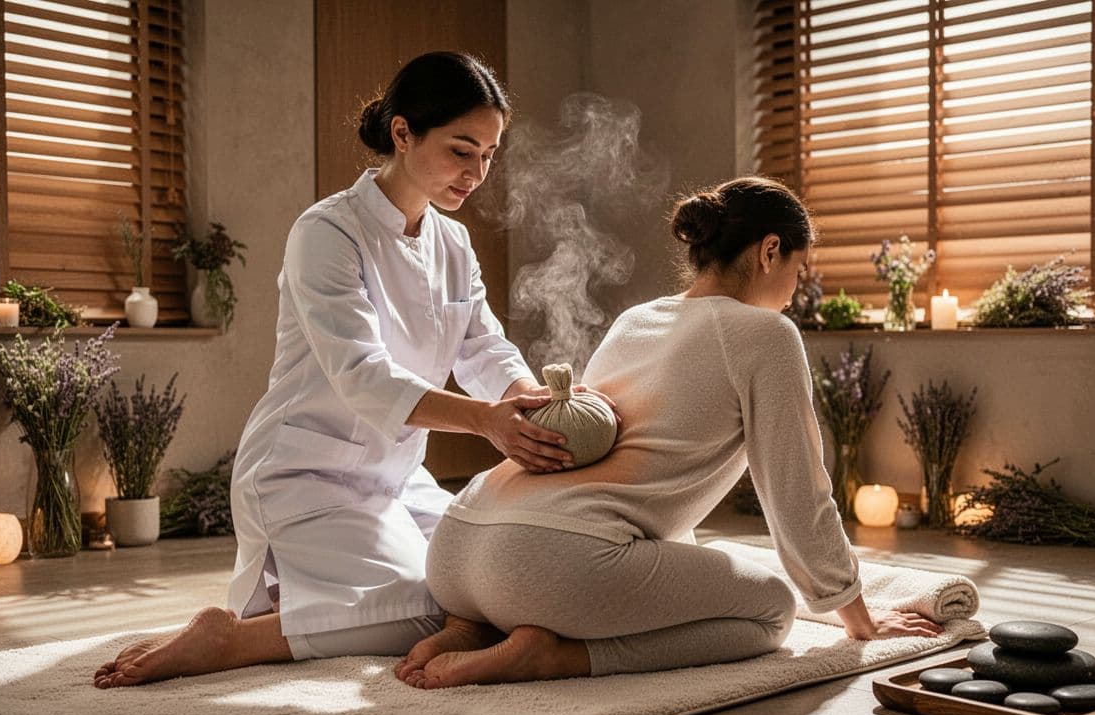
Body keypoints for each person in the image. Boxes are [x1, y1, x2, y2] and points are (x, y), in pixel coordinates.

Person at [93, 51, 613, 688]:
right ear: (402, 133)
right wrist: (485, 423)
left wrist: (530, 399)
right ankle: (231, 639)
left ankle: (309, 612)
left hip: (397, 477)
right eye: (461, 150)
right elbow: (363, 375)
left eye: (489, 154)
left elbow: (483, 346)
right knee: (425, 610)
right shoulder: (327, 233)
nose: (477, 172)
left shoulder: (452, 242)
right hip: (307, 473)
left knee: (491, 583)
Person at [395, 177, 942, 689]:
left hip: (457, 541)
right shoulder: (767, 333)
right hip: (550, 564)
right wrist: (857, 615)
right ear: (769, 251)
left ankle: (469, 625)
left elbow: (605, 444)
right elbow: (797, 489)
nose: (795, 292)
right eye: (798, 271)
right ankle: (556, 655)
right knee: (773, 608)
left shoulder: (637, 319)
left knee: (577, 565)